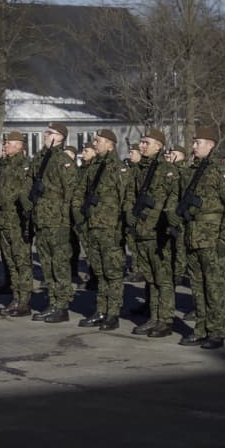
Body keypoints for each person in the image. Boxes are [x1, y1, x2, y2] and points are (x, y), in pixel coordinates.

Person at [175, 126, 225, 348]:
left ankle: (217, 332)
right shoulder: (191, 172)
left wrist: (224, 239)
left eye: (198, 142)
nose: (194, 146)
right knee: (198, 288)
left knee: (215, 287)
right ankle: (201, 329)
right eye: (193, 142)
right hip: (193, 236)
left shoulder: (220, 171)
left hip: (213, 238)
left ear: (210, 145)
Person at [73, 129, 130, 330]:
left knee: (113, 273)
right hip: (93, 227)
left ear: (110, 144)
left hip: (110, 229)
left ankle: (113, 314)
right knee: (98, 272)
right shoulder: (92, 167)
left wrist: (121, 227)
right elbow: (80, 192)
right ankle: (101, 310)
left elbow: (127, 199)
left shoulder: (118, 168)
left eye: (98, 141)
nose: (94, 144)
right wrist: (80, 215)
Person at [126, 128, 179, 336]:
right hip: (141, 231)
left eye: (146, 142)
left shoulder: (168, 170)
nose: (142, 145)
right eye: (142, 142)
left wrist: (162, 222)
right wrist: (129, 212)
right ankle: (154, 317)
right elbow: (131, 194)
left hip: (158, 233)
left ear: (159, 145)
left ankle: (165, 320)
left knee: (163, 279)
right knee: (151, 279)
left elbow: (171, 200)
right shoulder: (139, 169)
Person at [28, 124, 77, 322]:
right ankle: (53, 302)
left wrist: (65, 218)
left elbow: (71, 192)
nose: (45, 135)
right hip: (41, 218)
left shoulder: (63, 160)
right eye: (46, 132)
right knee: (47, 263)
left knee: (60, 263)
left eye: (50, 133)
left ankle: (62, 306)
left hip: (57, 220)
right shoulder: (40, 159)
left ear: (60, 137)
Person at [0, 132, 34, 316]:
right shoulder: (5, 165)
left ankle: (24, 301)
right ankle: (16, 298)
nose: (5, 146)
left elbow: (23, 193)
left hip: (17, 221)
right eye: (5, 143)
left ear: (19, 145)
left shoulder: (24, 166)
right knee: (10, 261)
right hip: (4, 219)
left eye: (9, 143)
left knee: (21, 261)